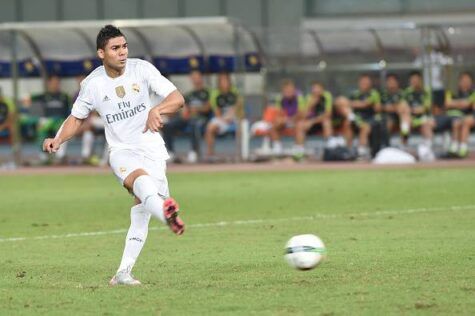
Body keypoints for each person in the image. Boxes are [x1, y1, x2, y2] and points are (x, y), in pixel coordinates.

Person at [42, 25, 185, 286]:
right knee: (142, 185)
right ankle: (166, 214)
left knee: (141, 211)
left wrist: (158, 110)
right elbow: (76, 118)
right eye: (115, 48)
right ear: (101, 53)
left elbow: (177, 98)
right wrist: (58, 138)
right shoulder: (93, 84)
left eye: (125, 46)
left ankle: (123, 273)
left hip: (151, 148)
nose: (122, 53)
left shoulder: (142, 69)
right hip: (121, 151)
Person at [162, 70, 211, 163]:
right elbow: (184, 109)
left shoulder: (207, 92)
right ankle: (171, 152)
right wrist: (185, 112)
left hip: (202, 118)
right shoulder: (189, 95)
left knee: (194, 124)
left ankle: (194, 152)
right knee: (168, 125)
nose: (195, 79)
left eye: (197, 77)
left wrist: (196, 110)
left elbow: (207, 108)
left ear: (201, 78)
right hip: (188, 118)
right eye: (193, 77)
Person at [32, 74, 71, 164]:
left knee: (64, 128)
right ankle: (44, 156)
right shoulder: (44, 96)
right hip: (47, 122)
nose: (56, 84)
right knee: (41, 126)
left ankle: (60, 157)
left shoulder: (64, 96)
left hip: (60, 122)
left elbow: (69, 112)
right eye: (53, 82)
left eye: (57, 82)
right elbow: (28, 99)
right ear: (49, 83)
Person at [204, 72, 241, 158]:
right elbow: (217, 112)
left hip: (234, 117)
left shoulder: (234, 91)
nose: (225, 83)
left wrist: (231, 116)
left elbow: (238, 107)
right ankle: (210, 154)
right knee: (210, 128)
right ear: (219, 82)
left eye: (226, 80)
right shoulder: (215, 94)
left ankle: (240, 154)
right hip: (221, 118)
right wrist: (225, 119)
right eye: (222, 81)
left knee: (241, 126)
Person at [294, 81, 332, 157]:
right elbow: (303, 116)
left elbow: (328, 114)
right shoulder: (308, 97)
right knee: (299, 124)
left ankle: (329, 150)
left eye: (318, 88)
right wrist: (311, 105)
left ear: (322, 89)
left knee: (326, 122)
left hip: (320, 123)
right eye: (314, 88)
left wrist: (312, 121)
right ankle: (299, 153)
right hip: (311, 124)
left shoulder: (327, 96)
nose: (316, 90)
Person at [348, 74, 381, 158]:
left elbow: (368, 105)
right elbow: (347, 104)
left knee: (365, 127)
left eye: (367, 82)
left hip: (370, 119)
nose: (365, 84)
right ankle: (347, 151)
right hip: (357, 118)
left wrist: (356, 104)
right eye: (363, 82)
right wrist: (357, 104)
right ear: (359, 83)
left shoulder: (374, 93)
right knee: (347, 124)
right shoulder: (355, 94)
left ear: (370, 83)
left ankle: (361, 152)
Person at [403, 71, 435, 156]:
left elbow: (425, 107)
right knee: (405, 121)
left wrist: (415, 110)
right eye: (413, 80)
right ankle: (404, 146)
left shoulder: (426, 91)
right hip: (410, 118)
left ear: (420, 80)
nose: (415, 82)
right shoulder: (407, 92)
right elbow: (403, 106)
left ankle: (427, 150)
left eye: (416, 80)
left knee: (426, 124)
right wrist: (409, 111)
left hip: (423, 118)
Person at [446, 72, 475, 157]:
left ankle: (463, 148)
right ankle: (454, 147)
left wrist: (457, 103)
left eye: (467, 80)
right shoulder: (454, 92)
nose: (465, 82)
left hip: (471, 117)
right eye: (463, 80)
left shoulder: (473, 92)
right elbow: (447, 104)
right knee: (457, 122)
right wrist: (463, 103)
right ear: (459, 81)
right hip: (462, 117)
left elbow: (470, 105)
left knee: (466, 121)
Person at [380, 73, 411, 145]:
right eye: (389, 81)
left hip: (401, 116)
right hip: (387, 116)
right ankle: (385, 145)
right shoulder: (382, 94)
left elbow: (405, 106)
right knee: (388, 122)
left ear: (397, 82)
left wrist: (393, 107)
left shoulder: (403, 93)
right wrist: (393, 108)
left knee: (405, 118)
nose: (391, 83)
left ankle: (404, 142)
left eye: (393, 81)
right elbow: (378, 107)